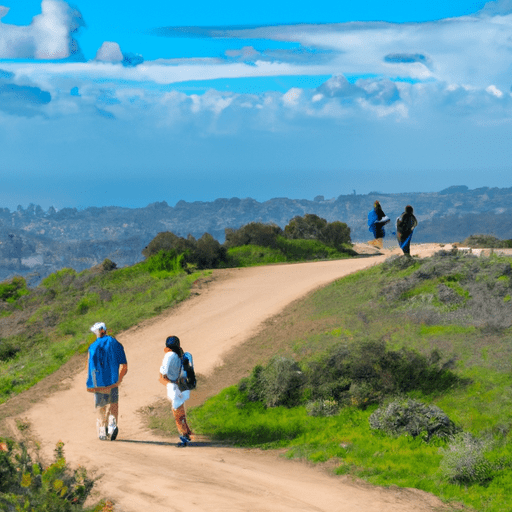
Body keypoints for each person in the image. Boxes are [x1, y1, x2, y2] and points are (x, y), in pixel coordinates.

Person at [86, 322, 128, 441]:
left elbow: (89, 368)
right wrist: (119, 379)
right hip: (113, 380)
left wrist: (90, 384)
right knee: (113, 404)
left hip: (97, 383)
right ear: (105, 329)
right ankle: (112, 425)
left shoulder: (92, 347)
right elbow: (124, 365)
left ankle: (101, 430)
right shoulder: (114, 343)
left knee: (101, 406)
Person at [159, 335, 193, 447]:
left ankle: (184, 437)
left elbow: (163, 373)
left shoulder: (169, 356)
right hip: (183, 386)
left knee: (177, 414)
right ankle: (188, 433)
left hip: (174, 386)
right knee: (181, 412)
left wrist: (166, 379)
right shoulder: (183, 355)